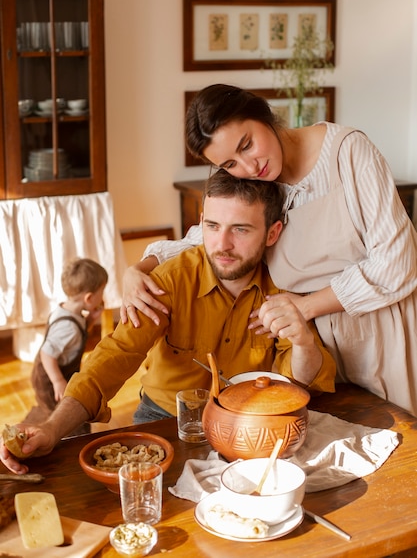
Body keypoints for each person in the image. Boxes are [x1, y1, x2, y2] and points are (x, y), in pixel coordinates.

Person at [1, 170, 335, 473]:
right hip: (163, 417)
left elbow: (297, 384)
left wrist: (304, 340)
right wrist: (52, 427)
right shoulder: (171, 278)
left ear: (272, 232)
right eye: (213, 226)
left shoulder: (287, 284)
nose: (222, 245)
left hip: (249, 425)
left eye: (241, 229)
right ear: (201, 221)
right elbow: (112, 359)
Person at [121, 84, 417, 417]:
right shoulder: (259, 183)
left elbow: (399, 261)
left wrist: (306, 306)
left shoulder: (347, 152)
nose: (249, 167)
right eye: (230, 163)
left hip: (378, 336)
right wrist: (138, 270)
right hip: (309, 351)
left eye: (247, 145)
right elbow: (207, 237)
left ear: (263, 113)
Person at [23, 258, 108, 435]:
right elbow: (47, 354)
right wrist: (58, 381)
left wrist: (91, 319)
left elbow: (73, 338)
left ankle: (42, 422)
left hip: (56, 373)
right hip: (51, 379)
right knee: (67, 417)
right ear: (89, 298)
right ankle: (63, 440)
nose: (103, 296)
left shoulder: (66, 310)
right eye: (102, 291)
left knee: (52, 409)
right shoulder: (67, 327)